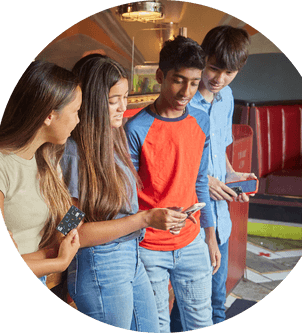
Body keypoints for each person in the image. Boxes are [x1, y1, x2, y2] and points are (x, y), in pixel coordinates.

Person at [60, 54, 187, 332]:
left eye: (125, 97)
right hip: (100, 265)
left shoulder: (113, 139)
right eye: (113, 100)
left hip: (131, 254)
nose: (122, 107)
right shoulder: (73, 153)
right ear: (91, 101)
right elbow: (72, 232)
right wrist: (144, 219)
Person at [124, 36, 220, 333]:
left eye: (194, 82)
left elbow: (200, 182)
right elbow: (127, 196)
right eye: (179, 81)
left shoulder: (200, 121)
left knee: (201, 321)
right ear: (160, 77)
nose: (187, 91)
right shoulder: (136, 128)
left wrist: (210, 236)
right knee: (155, 326)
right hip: (149, 246)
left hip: (192, 242)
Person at [172, 25, 256, 326]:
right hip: (192, 220)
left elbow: (221, 151)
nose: (220, 79)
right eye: (214, 68)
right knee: (188, 307)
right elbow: (171, 164)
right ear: (202, 58)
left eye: (229, 73)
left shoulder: (227, 97)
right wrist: (204, 182)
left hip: (221, 219)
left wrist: (233, 175)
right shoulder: (182, 101)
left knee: (216, 302)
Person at [0, 60, 81, 286]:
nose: (78, 120)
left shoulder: (46, 158)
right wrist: (59, 261)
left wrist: (65, 231)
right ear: (49, 116)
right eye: (75, 111)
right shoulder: (0, 164)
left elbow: (72, 211)